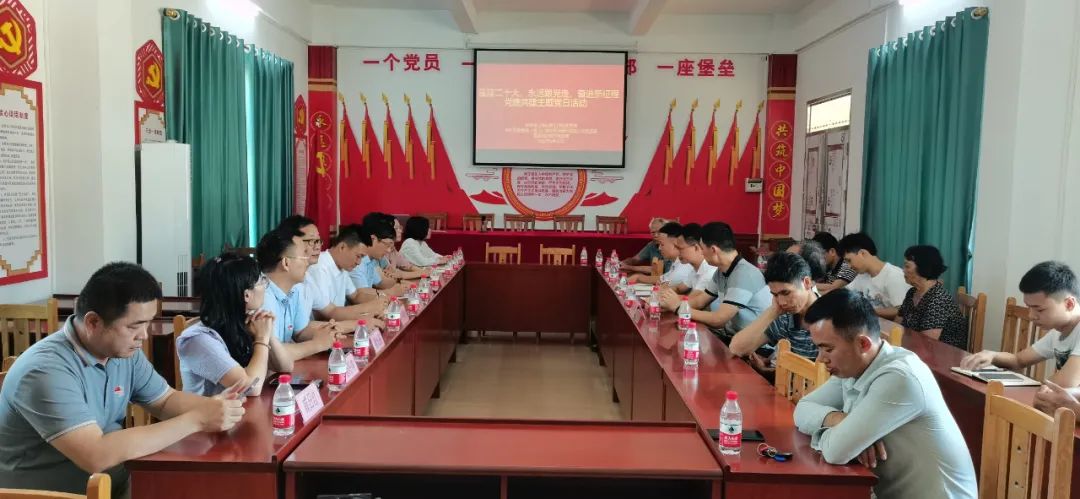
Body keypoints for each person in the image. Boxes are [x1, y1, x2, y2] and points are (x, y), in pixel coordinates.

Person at [0, 262, 245, 497]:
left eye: (148, 324)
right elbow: (96, 455)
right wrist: (198, 419)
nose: (144, 336)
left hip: (117, 483)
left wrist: (219, 408)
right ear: (93, 322)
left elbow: (164, 400)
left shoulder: (122, 353)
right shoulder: (46, 371)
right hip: (55, 494)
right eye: (134, 326)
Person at [794, 289, 976, 499]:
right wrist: (839, 421)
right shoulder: (854, 366)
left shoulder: (900, 377)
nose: (820, 359)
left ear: (863, 344)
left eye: (827, 349)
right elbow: (802, 409)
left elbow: (836, 452)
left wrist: (847, 437)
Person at [177, 253, 295, 397]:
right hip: (212, 412)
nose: (265, 285)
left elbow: (285, 367)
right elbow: (251, 388)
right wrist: (261, 339)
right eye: (262, 281)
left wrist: (268, 334)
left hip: (243, 408)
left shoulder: (244, 322)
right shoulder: (198, 339)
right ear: (246, 295)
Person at [962, 261, 1080, 388]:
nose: (1031, 316)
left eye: (1039, 310)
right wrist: (991, 355)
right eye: (1029, 308)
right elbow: (1018, 360)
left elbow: (1064, 383)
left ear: (1069, 304)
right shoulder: (1057, 332)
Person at [256, 230, 371, 352]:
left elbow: (300, 331)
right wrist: (318, 344)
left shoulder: (294, 289)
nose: (308, 261)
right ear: (286, 263)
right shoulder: (261, 297)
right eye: (304, 256)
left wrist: (328, 332)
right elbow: (272, 353)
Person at [659, 221, 770, 342]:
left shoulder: (744, 274)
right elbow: (699, 302)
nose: (701, 252)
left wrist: (678, 308)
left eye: (702, 248)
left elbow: (719, 320)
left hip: (755, 346)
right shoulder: (721, 271)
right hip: (733, 337)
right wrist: (668, 304)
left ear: (713, 250)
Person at [730, 250, 822, 364]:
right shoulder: (785, 315)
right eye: (775, 295)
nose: (781, 302)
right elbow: (736, 349)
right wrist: (772, 312)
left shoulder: (830, 318)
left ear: (807, 283)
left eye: (786, 293)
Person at [305, 224, 390, 321]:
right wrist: (369, 308)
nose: (359, 262)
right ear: (342, 247)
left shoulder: (342, 266)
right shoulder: (319, 267)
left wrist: (381, 299)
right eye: (358, 256)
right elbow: (323, 314)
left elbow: (355, 295)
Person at [896, 245, 968, 350]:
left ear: (922, 267)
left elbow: (927, 343)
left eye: (907, 266)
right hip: (916, 349)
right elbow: (897, 325)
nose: (903, 270)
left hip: (943, 354)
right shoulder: (912, 292)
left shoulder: (938, 299)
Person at [838, 233, 910, 319]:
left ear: (862, 253)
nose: (849, 266)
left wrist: (868, 311)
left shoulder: (894, 276)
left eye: (849, 260)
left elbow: (902, 310)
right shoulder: (862, 275)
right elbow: (845, 294)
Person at [349, 221, 408, 297]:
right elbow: (362, 294)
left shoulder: (371, 260)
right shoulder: (358, 260)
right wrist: (391, 292)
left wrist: (398, 282)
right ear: (373, 239)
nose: (388, 251)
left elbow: (382, 283)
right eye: (387, 245)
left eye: (391, 247)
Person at [628, 222, 689, 287]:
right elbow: (663, 278)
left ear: (675, 244)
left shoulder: (684, 267)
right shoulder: (677, 262)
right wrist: (638, 277)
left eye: (662, 244)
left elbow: (667, 283)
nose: (659, 248)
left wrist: (638, 277)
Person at [669, 223, 717, 294]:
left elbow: (693, 299)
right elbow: (678, 288)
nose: (677, 252)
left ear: (696, 248)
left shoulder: (710, 271)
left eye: (680, 248)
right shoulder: (695, 269)